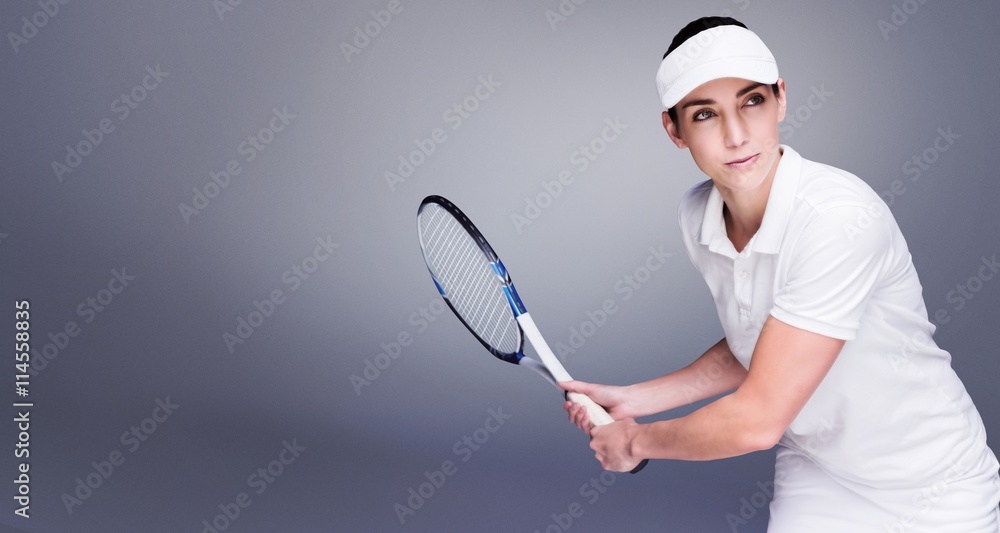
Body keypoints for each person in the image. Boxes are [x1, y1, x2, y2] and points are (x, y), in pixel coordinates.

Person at [560, 16, 1000, 532]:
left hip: (934, 485)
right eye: (705, 114)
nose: (736, 134)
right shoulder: (696, 216)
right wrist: (638, 399)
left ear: (782, 99)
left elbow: (758, 419)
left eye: (752, 101)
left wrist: (635, 440)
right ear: (673, 130)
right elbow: (763, 339)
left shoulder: (837, 218)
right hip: (819, 469)